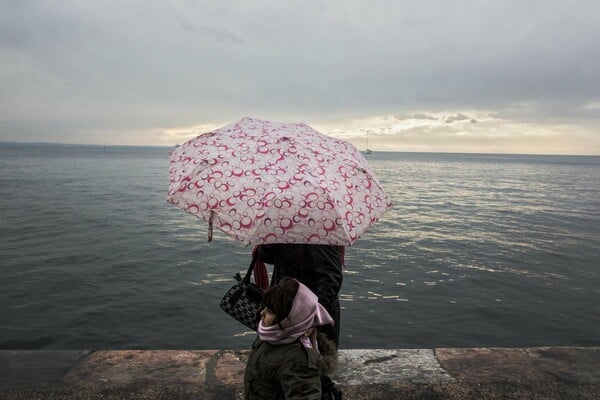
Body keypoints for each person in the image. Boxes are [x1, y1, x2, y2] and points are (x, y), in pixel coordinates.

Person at [244, 278, 339, 400]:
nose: (262, 313)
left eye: (270, 312)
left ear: (289, 319)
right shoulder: (272, 334)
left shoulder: (298, 359)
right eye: (265, 307)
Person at [255, 244, 344, 347]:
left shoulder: (318, 235)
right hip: (282, 311)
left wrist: (314, 319)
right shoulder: (286, 231)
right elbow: (269, 258)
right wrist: (269, 244)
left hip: (309, 316)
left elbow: (331, 278)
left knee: (309, 359)